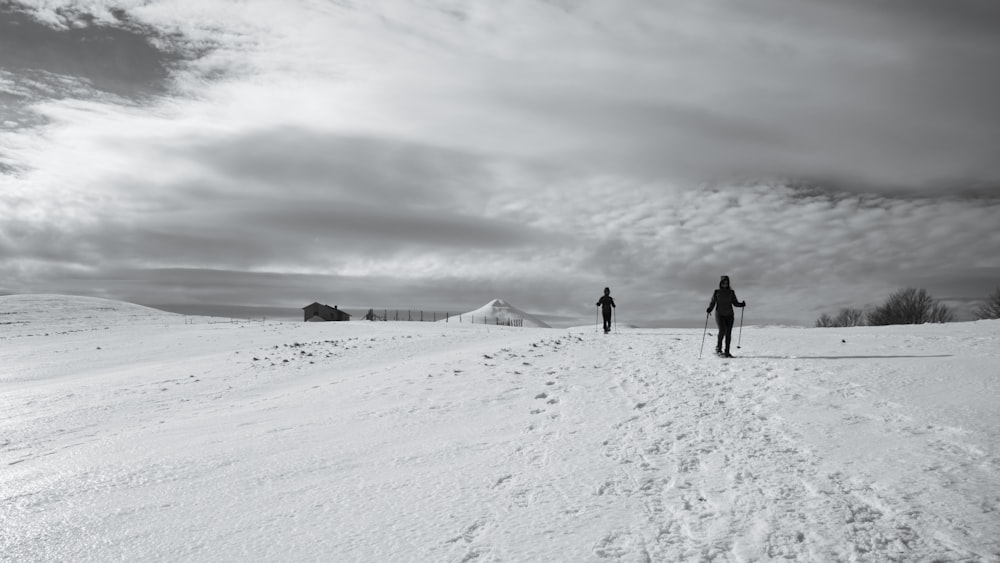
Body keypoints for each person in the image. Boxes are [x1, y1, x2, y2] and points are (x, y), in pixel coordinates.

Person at [706, 275, 746, 357]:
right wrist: (710, 308)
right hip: (720, 314)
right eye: (723, 282)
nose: (725, 284)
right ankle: (718, 349)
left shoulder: (731, 292)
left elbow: (735, 303)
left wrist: (741, 304)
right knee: (722, 330)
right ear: (721, 283)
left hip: (730, 315)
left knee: (728, 333)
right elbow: (713, 302)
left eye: (726, 282)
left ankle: (727, 352)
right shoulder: (717, 292)